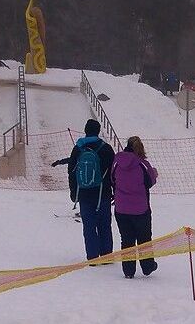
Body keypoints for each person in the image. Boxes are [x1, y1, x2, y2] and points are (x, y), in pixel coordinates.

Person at [67, 119, 115, 261]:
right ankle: (106, 256)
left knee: (89, 226)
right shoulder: (106, 148)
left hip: (84, 194)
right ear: (98, 131)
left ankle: (92, 257)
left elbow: (71, 171)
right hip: (103, 194)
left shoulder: (78, 148)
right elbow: (113, 172)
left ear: (85, 130)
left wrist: (74, 193)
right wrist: (114, 191)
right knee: (104, 225)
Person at [112, 136, 159, 278]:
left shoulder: (116, 162)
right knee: (144, 238)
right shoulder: (143, 164)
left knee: (126, 239)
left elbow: (112, 180)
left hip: (121, 208)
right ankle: (147, 266)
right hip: (141, 209)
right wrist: (155, 173)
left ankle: (128, 271)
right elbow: (150, 181)